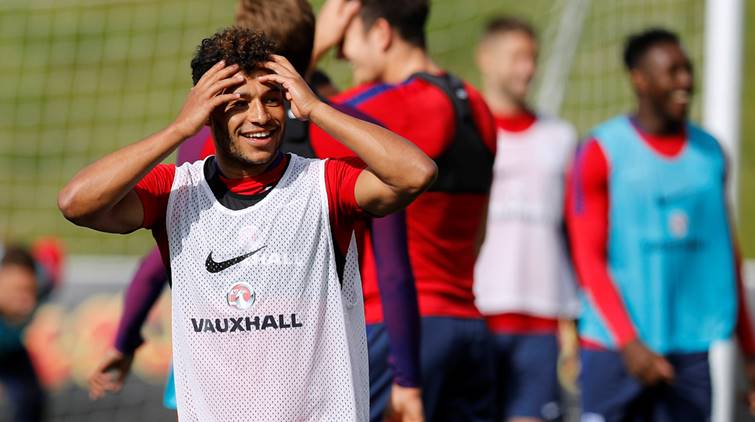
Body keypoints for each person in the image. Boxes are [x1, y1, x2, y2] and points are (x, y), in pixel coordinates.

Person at [59, 27, 436, 422]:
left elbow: (416, 173)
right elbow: (76, 203)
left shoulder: (325, 184)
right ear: (208, 111)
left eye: (271, 99)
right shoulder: (175, 191)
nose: (260, 116)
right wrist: (179, 129)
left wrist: (315, 108)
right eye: (239, 103)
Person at [313, 0, 498, 420]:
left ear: (381, 33)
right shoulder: (478, 106)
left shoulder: (391, 107)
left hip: (397, 331)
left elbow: (281, 122)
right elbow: (480, 231)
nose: (342, 56)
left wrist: (315, 45)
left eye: (346, 42)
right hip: (467, 326)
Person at [566, 28, 755, 421]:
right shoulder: (601, 151)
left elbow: (727, 256)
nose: (685, 80)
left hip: (688, 352)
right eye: (672, 71)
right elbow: (587, 258)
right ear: (640, 79)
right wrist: (628, 342)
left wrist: (750, 353)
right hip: (614, 350)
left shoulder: (710, 154)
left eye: (687, 69)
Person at [473, 17, 578, 422]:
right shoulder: (464, 132)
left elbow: (574, 230)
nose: (528, 68)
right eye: (517, 57)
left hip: (543, 315)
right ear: (486, 58)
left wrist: (573, 315)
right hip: (478, 310)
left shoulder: (561, 137)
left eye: (532, 58)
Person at [0, 240, 63, 422]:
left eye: (31, 291)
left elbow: (51, 249)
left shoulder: (44, 283)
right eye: (18, 291)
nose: (28, 303)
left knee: (32, 399)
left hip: (10, 350)